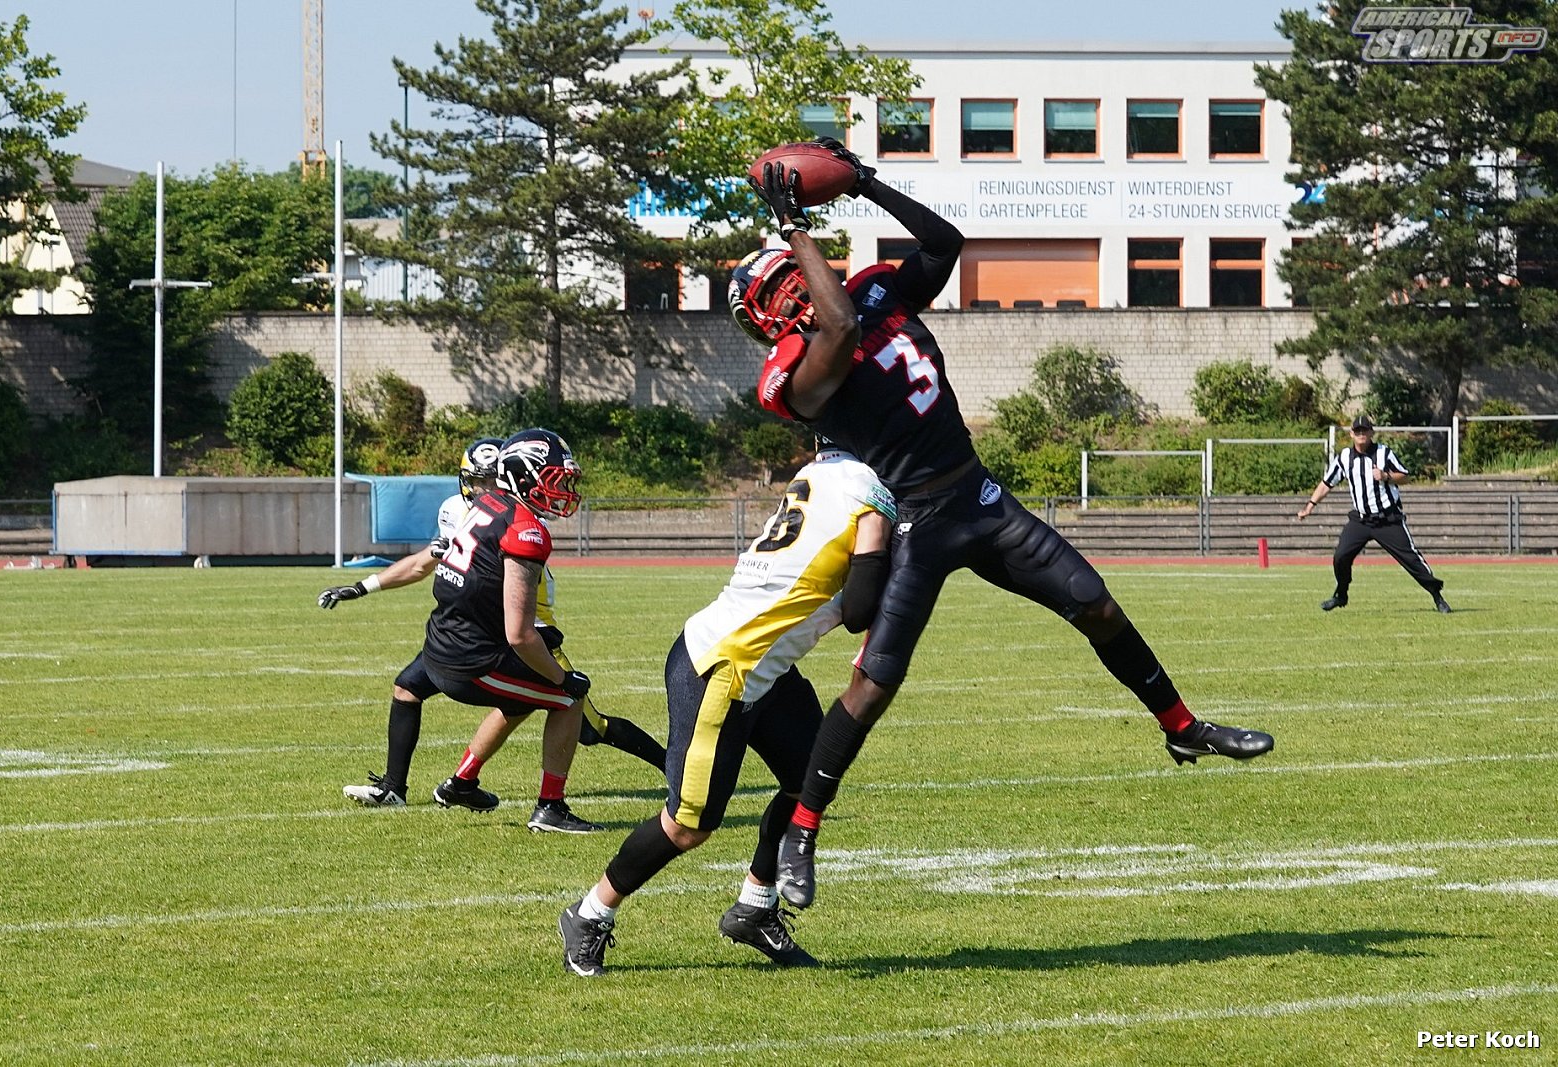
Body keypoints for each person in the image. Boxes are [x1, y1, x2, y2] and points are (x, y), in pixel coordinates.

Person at [731, 139, 1275, 912]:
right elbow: (839, 328)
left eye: (793, 274)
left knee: (1095, 603)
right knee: (874, 683)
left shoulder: (874, 291)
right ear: (762, 320)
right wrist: (795, 226)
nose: (793, 288)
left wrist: (866, 183)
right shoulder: (789, 371)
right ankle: (803, 830)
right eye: (778, 289)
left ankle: (1182, 725)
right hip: (913, 520)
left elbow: (944, 244)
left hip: (978, 495)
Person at [557, 441, 895, 976]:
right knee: (688, 825)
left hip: (765, 666)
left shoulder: (821, 474)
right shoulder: (866, 489)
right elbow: (858, 611)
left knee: (809, 779)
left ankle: (754, 907)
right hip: (724, 668)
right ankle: (590, 913)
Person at [322, 429, 654, 831]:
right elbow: (520, 635)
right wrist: (563, 679)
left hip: (440, 642)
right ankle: (550, 808)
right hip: (472, 658)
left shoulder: (484, 505)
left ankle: (461, 783)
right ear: (523, 476)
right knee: (569, 699)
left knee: (519, 697)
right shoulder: (525, 529)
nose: (562, 490)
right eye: (554, 479)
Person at [1296, 414, 1450, 614]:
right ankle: (1341, 595)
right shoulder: (1344, 458)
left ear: (1371, 433)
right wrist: (1310, 505)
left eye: (1365, 430)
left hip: (1388, 518)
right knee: (1341, 556)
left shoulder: (1384, 453)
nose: (1361, 434)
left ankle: (1437, 596)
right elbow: (1327, 483)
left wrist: (1386, 476)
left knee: (1410, 558)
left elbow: (1405, 476)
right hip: (1361, 520)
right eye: (1357, 431)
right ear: (1351, 434)